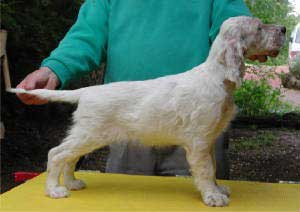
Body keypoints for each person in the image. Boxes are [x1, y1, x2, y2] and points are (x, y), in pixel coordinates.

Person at [16, 0, 267, 177]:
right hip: (128, 119)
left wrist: (252, 43)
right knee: (128, 202)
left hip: (198, 117)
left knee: (206, 199)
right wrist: (54, 69)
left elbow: (232, 27)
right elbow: (86, 35)